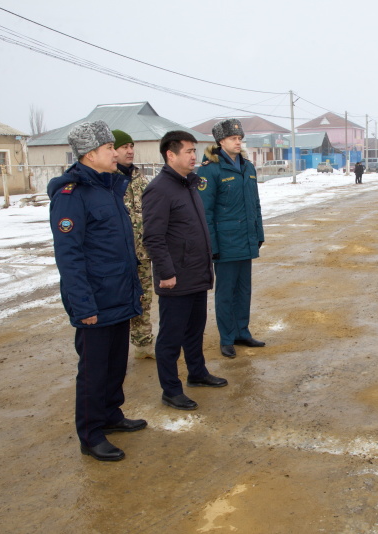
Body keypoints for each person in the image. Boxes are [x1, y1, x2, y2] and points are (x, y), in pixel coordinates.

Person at [47, 121, 145, 462]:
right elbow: (69, 256)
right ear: (91, 155)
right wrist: (82, 305)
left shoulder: (109, 188)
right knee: (93, 370)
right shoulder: (71, 196)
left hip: (118, 294)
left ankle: (110, 415)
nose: (115, 153)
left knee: (116, 364)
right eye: (108, 149)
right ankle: (90, 433)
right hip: (96, 300)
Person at [142, 130, 228, 411]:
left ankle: (197, 373)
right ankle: (170, 389)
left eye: (195, 151)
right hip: (175, 278)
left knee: (195, 329)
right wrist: (166, 273)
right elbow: (153, 237)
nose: (195, 156)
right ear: (171, 154)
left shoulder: (188, 184)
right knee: (171, 337)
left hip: (196, 273)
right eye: (189, 151)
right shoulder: (159, 189)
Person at [198, 119, 266, 359]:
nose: (238, 142)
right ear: (221, 141)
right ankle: (227, 338)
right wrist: (212, 246)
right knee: (226, 292)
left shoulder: (247, 167)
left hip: (245, 239)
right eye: (233, 139)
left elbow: (255, 204)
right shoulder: (210, 169)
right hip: (225, 243)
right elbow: (205, 212)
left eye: (240, 138)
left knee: (243, 289)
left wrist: (258, 233)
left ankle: (242, 332)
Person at [113, 129, 154, 359]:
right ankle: (116, 350)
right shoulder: (108, 181)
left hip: (142, 253)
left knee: (143, 300)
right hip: (117, 257)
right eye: (123, 147)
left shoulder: (141, 180)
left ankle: (143, 345)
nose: (129, 151)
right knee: (118, 302)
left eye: (131, 146)